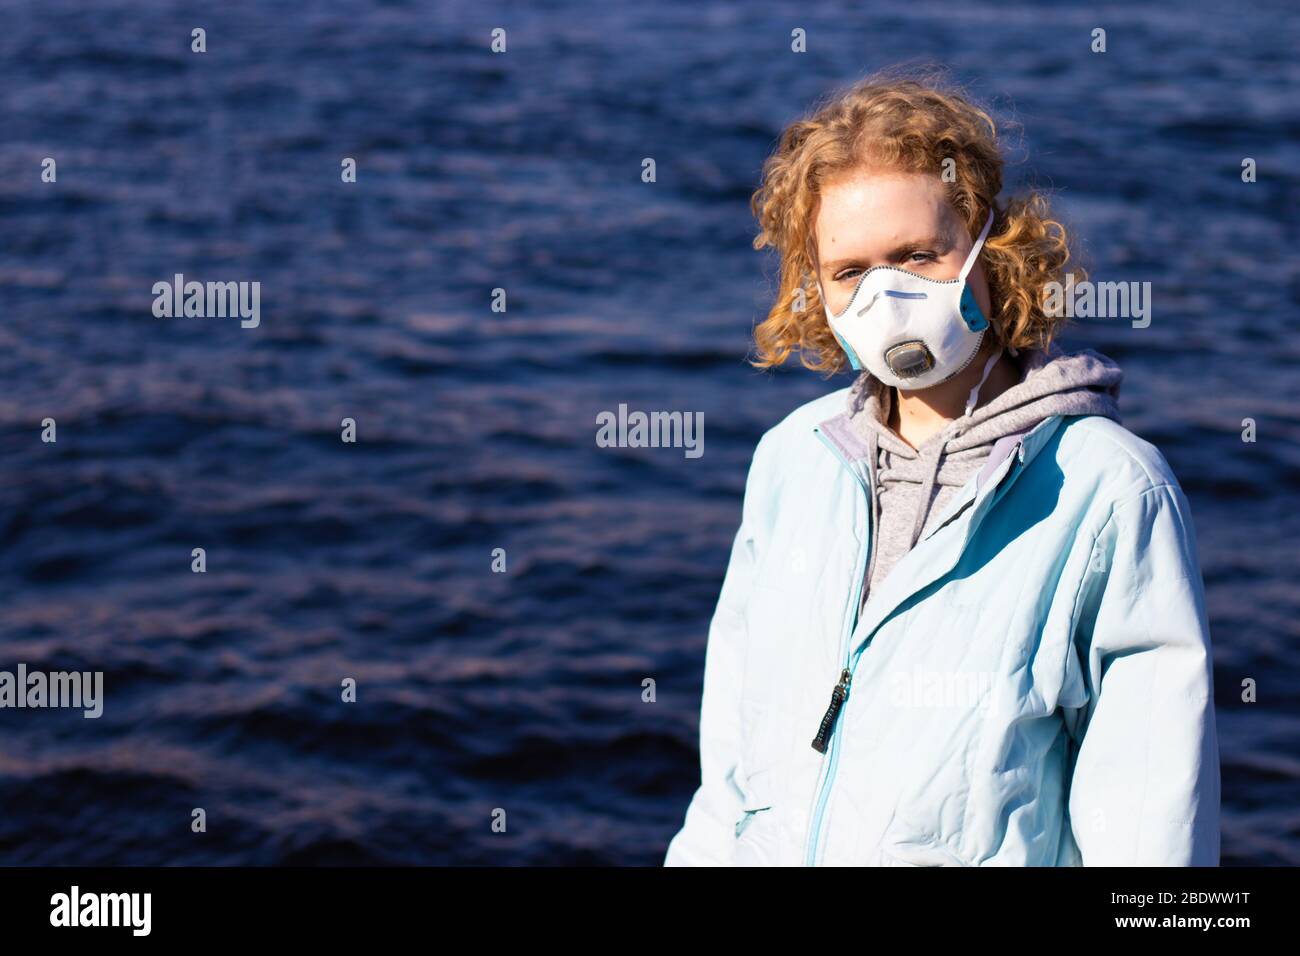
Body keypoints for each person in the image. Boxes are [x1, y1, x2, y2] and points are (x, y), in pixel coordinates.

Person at [664, 69, 1220, 866]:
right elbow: (727, 787)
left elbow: (1154, 831)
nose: (883, 293)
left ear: (992, 251)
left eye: (918, 255)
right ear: (814, 288)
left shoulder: (1111, 492)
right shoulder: (793, 458)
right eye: (850, 270)